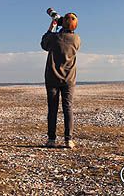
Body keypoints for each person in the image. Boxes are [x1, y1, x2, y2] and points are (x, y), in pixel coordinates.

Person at [40, 12, 81, 149]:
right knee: (68, 108)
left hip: (52, 78)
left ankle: (51, 139)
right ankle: (68, 140)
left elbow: (43, 43)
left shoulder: (54, 38)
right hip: (69, 79)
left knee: (52, 109)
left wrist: (53, 25)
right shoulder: (76, 39)